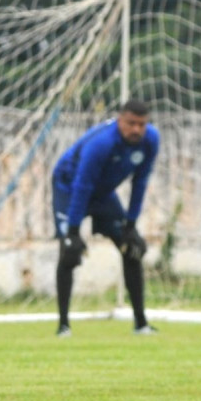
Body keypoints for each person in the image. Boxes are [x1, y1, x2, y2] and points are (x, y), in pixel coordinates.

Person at [52, 98, 160, 337]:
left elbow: (140, 182)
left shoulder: (151, 140)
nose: (136, 130)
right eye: (131, 123)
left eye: (141, 124)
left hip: (102, 194)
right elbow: (82, 185)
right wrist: (72, 231)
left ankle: (141, 324)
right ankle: (63, 326)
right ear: (120, 120)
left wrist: (131, 224)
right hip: (69, 188)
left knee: (131, 248)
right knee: (69, 252)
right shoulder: (101, 143)